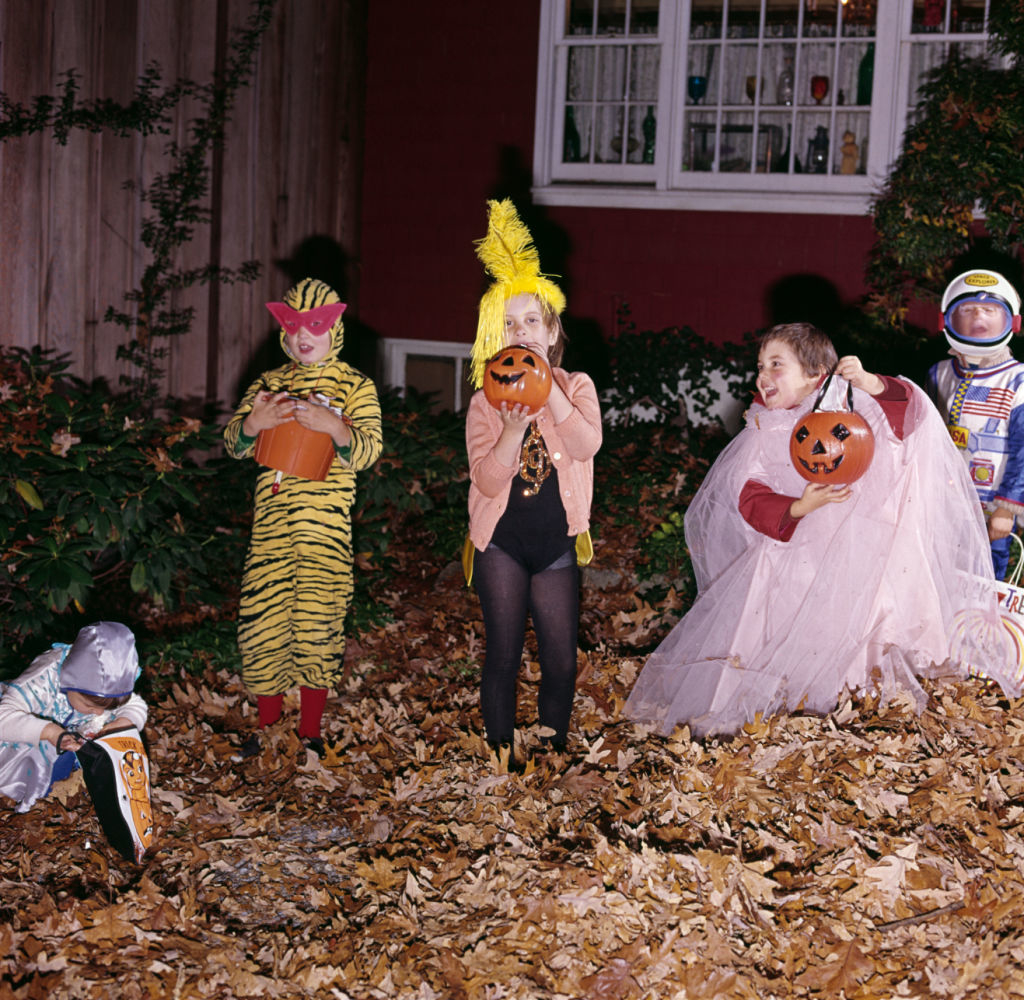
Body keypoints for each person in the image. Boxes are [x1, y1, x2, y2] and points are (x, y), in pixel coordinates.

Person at [624, 322, 1020, 739]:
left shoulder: (853, 412)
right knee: (770, 632)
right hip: (787, 559)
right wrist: (797, 506)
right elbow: (749, 493)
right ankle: (780, 705)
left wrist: (871, 383)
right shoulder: (765, 428)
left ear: (815, 375)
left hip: (852, 556)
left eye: (777, 365)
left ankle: (845, 706)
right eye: (760, 365)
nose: (763, 375)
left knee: (851, 631)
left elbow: (909, 417)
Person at [466, 199, 602, 767]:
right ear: (494, 339)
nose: (520, 331)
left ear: (550, 330)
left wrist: (547, 395)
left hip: (555, 546)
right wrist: (510, 431)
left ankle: (551, 749)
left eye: (531, 321)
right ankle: (499, 755)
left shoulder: (575, 386)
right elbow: (487, 479)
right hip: (501, 543)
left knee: (561, 658)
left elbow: (585, 444)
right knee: (502, 654)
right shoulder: (484, 402)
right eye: (508, 324)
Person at [224, 277, 383, 757]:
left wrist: (337, 427)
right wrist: (253, 425)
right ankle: (269, 727)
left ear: (334, 328)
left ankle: (310, 731)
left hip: (324, 535)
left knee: (318, 626)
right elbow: (233, 443)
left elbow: (370, 450)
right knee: (261, 623)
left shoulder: (356, 386)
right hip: (270, 533)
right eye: (293, 326)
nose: (302, 335)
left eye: (315, 325)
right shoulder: (268, 384)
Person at [925, 269, 1024, 579]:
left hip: (994, 507)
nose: (979, 317)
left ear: (1012, 321)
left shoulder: (1017, 379)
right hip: (944, 503)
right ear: (947, 320)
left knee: (987, 583)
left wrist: (1007, 509)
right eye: (967, 310)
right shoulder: (939, 373)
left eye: (990, 310)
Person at [0, 621, 148, 813]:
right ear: (70, 682)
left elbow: (136, 705)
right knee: (47, 754)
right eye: (89, 706)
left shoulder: (112, 685)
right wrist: (49, 731)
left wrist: (122, 722)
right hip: (19, 735)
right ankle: (30, 799)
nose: (100, 713)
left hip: (68, 739)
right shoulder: (44, 678)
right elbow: (3, 718)